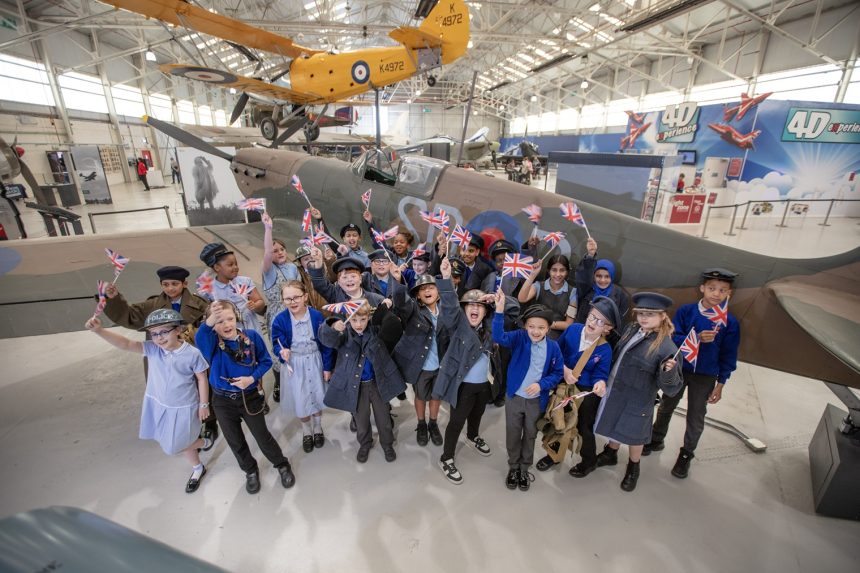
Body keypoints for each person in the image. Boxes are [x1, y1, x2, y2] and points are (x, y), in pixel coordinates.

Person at [85, 309, 211, 493]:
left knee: (175, 445)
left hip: (183, 406)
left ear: (178, 330)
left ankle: (203, 443)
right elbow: (126, 344)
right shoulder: (153, 349)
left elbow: (202, 378)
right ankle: (197, 468)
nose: (159, 338)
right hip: (159, 403)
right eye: (154, 333)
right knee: (175, 440)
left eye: (164, 331)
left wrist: (204, 404)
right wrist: (99, 331)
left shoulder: (192, 354)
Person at [645, 268, 741, 479]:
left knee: (696, 415)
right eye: (712, 288)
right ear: (702, 288)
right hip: (680, 368)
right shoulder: (687, 311)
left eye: (722, 290)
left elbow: (729, 354)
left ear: (729, 294)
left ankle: (686, 454)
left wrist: (721, 383)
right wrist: (695, 337)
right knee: (666, 406)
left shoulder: (729, 322)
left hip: (705, 375)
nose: (716, 294)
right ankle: (656, 438)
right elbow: (672, 337)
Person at [102, 266, 216, 443]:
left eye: (175, 284)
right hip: (162, 359)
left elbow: (210, 329)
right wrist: (113, 298)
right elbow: (129, 315)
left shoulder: (199, 304)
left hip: (190, 357)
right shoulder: (153, 305)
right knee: (169, 392)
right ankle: (176, 426)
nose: (170, 288)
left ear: (184, 283)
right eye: (165, 284)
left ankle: (208, 422)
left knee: (201, 389)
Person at [196, 300, 296, 494]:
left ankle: (281, 464)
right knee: (235, 440)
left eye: (229, 319)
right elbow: (201, 337)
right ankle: (250, 471)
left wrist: (251, 379)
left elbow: (266, 361)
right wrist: (210, 321)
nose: (226, 325)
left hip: (248, 397)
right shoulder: (211, 344)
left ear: (237, 318)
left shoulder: (251, 337)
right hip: (223, 401)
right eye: (219, 321)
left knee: (262, 437)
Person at [592, 292, 682, 492]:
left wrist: (670, 372)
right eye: (640, 312)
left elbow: (672, 388)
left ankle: (634, 467)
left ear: (662, 317)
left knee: (634, 435)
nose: (643, 317)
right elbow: (621, 349)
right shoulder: (633, 329)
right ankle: (610, 453)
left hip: (639, 398)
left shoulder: (667, 348)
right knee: (613, 422)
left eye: (650, 314)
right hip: (616, 389)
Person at [535, 296, 619, 475]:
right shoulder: (573, 330)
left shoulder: (604, 349)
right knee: (558, 420)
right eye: (591, 316)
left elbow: (600, 374)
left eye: (600, 321)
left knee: (583, 428)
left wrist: (600, 384)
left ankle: (589, 460)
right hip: (564, 385)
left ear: (607, 329)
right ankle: (553, 454)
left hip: (585, 393)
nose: (593, 322)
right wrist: (565, 370)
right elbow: (556, 353)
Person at [319, 301, 406, 463]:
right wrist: (331, 325)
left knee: (384, 418)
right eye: (354, 320)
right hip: (356, 386)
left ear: (368, 318)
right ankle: (365, 443)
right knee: (361, 419)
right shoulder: (344, 336)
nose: (358, 324)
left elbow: (391, 324)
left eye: (363, 320)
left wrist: (384, 307)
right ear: (347, 319)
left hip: (377, 383)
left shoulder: (376, 331)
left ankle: (387, 444)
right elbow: (326, 339)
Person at [434, 258, 496, 484]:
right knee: (456, 421)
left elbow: (511, 312)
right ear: (464, 309)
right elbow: (449, 305)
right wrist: (446, 278)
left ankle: (473, 436)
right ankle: (446, 458)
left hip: (483, 385)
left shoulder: (489, 327)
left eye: (480, 306)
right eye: (471, 305)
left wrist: (497, 301)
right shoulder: (458, 326)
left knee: (477, 414)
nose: (475, 308)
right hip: (463, 386)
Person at [493, 299, 563, 492]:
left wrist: (541, 385)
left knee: (530, 434)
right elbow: (498, 336)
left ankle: (524, 468)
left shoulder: (554, 348)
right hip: (514, 397)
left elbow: (557, 373)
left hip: (536, 401)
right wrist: (499, 311)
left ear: (548, 328)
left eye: (541, 327)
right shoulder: (519, 338)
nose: (536, 331)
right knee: (513, 433)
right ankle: (513, 467)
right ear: (525, 326)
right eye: (531, 326)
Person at [271, 281, 334, 453]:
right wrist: (281, 352)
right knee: (301, 398)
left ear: (305, 297)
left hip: (315, 361)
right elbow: (277, 343)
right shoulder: (280, 320)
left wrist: (327, 367)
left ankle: (318, 427)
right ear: (283, 301)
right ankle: (307, 430)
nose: (292, 302)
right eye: (287, 299)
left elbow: (326, 343)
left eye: (296, 297)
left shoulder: (316, 316)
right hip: (295, 364)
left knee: (316, 394)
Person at [389, 270, 449, 447]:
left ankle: (433, 423)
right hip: (422, 366)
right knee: (421, 396)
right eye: (422, 289)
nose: (427, 291)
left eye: (431, 287)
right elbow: (400, 302)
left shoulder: (447, 309)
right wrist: (398, 281)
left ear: (438, 292)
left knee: (436, 396)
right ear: (418, 295)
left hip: (441, 365)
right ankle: (421, 424)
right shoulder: (413, 309)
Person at [260, 212, 301, 402]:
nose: (280, 252)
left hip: (296, 311)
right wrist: (268, 229)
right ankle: (279, 382)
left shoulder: (293, 268)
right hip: (278, 314)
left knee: (298, 348)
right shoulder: (269, 271)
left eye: (282, 248)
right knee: (279, 351)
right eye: (275, 250)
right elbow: (267, 253)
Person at [199, 242, 266, 333]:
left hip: (251, 329)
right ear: (217, 267)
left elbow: (260, 302)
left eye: (236, 264)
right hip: (228, 333)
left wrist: (255, 305)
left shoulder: (245, 282)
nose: (235, 267)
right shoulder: (210, 289)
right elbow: (208, 314)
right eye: (230, 265)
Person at [574, 238, 630, 338]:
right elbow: (583, 276)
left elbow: (620, 322)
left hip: (604, 339)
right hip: (582, 335)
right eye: (599, 276)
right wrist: (590, 256)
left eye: (607, 276)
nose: (602, 280)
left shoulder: (620, 295)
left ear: (612, 277)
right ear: (594, 276)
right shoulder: (587, 289)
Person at [518, 255, 577, 340]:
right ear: (548, 270)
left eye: (562, 270)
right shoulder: (538, 286)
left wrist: (546, 325)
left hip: (556, 336)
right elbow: (522, 299)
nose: (558, 274)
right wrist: (532, 275)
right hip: (534, 331)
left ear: (567, 271)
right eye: (554, 270)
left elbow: (568, 324)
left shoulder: (573, 292)